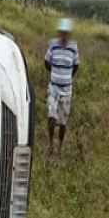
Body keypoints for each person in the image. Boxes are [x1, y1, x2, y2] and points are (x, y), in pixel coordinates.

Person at [44, 18, 80, 156]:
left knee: (63, 120)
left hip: (66, 89)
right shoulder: (53, 45)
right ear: (60, 32)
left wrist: (67, 77)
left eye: (66, 32)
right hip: (53, 87)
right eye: (62, 32)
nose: (64, 35)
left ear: (68, 33)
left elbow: (76, 65)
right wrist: (55, 74)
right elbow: (46, 62)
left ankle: (60, 146)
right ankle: (51, 144)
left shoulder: (73, 47)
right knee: (51, 115)